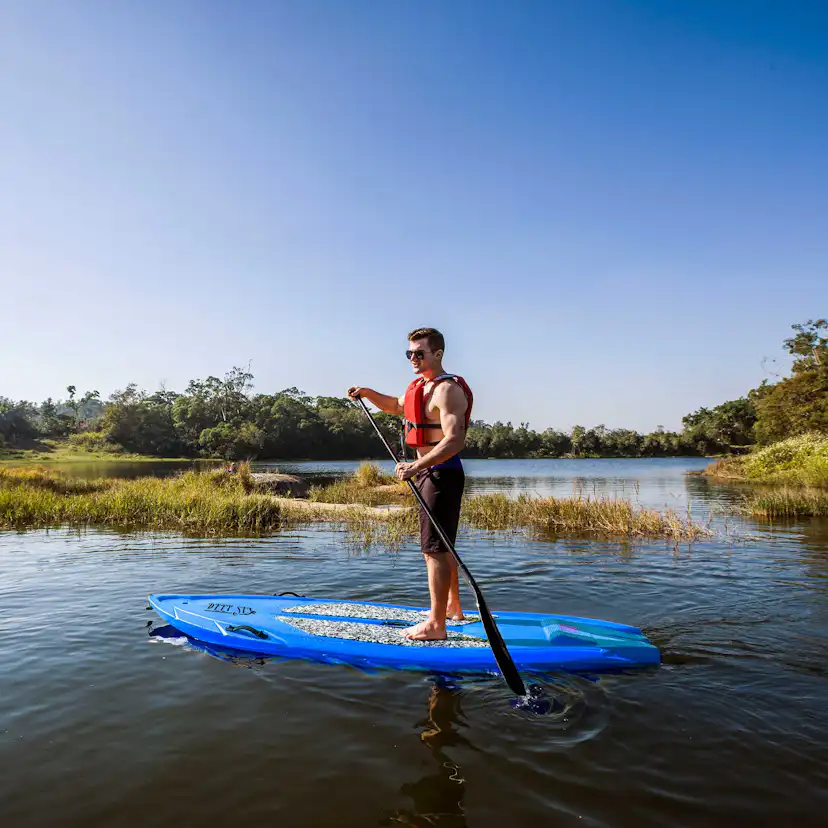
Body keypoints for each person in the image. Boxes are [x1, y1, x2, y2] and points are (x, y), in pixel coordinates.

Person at [348, 327, 473, 641]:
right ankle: (452, 608)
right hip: (430, 473)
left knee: (433, 550)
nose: (413, 359)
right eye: (409, 354)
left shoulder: (446, 390)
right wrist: (367, 393)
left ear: (438, 354)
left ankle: (435, 626)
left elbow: (455, 440)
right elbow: (395, 406)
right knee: (441, 546)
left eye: (420, 353)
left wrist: (416, 465)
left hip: (441, 473)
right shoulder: (420, 387)